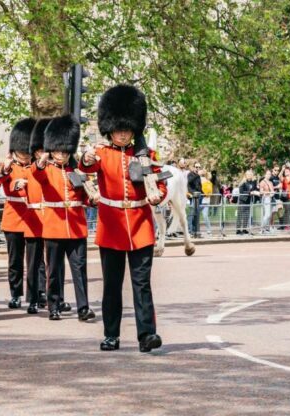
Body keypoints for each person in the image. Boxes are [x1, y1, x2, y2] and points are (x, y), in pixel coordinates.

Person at [80, 84, 166, 353]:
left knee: (142, 285)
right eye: (118, 129)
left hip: (140, 225)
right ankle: (111, 335)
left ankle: (146, 335)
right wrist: (85, 157)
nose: (122, 134)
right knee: (111, 287)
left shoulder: (146, 155)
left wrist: (157, 196)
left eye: (127, 129)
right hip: (112, 227)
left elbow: (160, 184)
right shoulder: (101, 154)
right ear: (110, 129)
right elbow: (86, 166)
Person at [34, 115, 96, 321]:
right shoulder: (47, 170)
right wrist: (41, 163)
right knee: (54, 270)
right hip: (54, 226)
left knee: (80, 270)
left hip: (77, 227)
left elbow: (86, 198)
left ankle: (83, 308)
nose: (61, 155)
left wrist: (93, 199)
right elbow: (37, 175)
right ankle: (54, 305)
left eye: (64, 151)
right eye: (57, 150)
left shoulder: (77, 171)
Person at [0, 118, 44, 313]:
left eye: (28, 152)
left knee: (36, 261)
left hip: (35, 218)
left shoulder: (38, 166)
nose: (25, 156)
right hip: (14, 217)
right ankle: (15, 294)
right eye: (22, 152)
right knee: (15, 261)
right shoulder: (8, 166)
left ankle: (35, 295)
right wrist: (10, 178)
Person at [236, 170, 259, 234]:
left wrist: (258, 190)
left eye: (251, 174)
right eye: (248, 174)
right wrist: (250, 192)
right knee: (240, 216)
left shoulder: (253, 182)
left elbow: (255, 189)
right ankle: (238, 230)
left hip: (249, 201)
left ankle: (244, 229)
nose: (250, 176)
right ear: (246, 175)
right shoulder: (243, 182)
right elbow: (241, 192)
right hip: (242, 201)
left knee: (246, 216)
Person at [187, 160, 203, 238]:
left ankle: (195, 230)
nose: (198, 169)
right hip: (193, 197)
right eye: (196, 167)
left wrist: (203, 193)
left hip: (199, 196)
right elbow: (189, 182)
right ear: (193, 167)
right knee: (192, 214)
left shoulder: (198, 176)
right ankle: (190, 231)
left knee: (197, 214)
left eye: (199, 167)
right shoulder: (190, 174)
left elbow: (199, 186)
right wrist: (197, 175)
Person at [259, 169, 275, 234]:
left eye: (269, 174)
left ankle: (266, 229)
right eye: (267, 174)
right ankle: (262, 228)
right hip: (266, 198)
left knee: (269, 214)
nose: (269, 175)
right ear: (265, 174)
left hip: (271, 198)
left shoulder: (271, 182)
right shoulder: (262, 182)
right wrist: (268, 192)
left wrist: (272, 193)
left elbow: (273, 191)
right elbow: (261, 191)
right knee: (267, 214)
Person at [199, 169, 213, 236]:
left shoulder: (209, 182)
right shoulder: (199, 180)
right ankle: (195, 229)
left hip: (206, 201)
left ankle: (209, 230)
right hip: (199, 201)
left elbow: (210, 192)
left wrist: (207, 194)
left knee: (205, 216)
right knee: (195, 215)